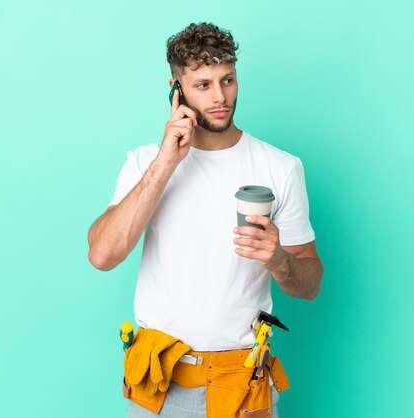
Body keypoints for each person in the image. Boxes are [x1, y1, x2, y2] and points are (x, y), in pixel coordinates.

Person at [88, 22, 323, 418]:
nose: (220, 97)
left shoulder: (280, 167)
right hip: (158, 384)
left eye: (227, 80)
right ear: (176, 89)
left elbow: (311, 282)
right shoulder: (146, 162)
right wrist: (167, 162)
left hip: (241, 384)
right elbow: (103, 254)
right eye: (202, 85)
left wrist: (278, 260)